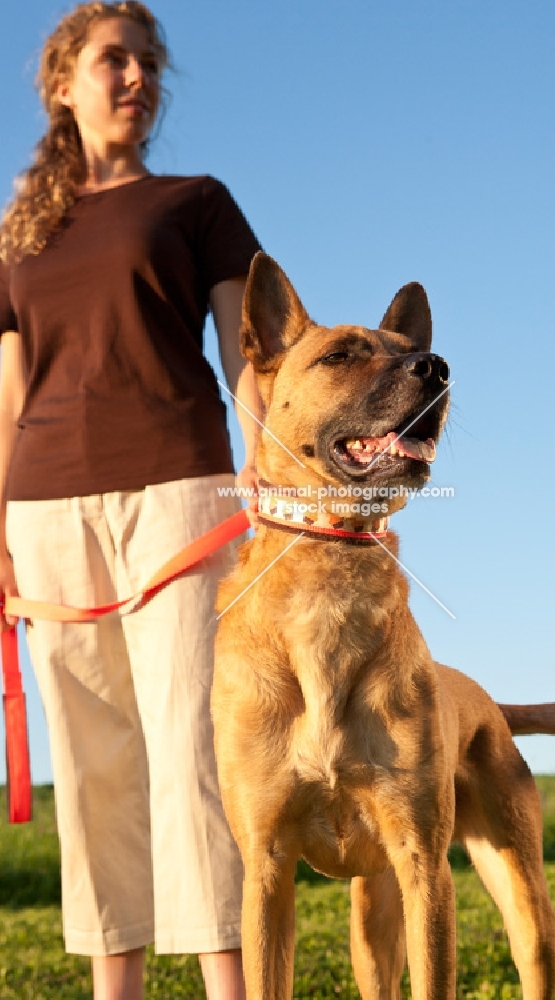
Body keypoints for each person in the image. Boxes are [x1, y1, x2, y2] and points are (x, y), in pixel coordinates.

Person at [0, 3, 263, 998]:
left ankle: (225, 986)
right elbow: (9, 393)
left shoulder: (198, 202)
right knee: (96, 767)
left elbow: (250, 357)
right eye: (116, 60)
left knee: (192, 744)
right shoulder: (19, 240)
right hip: (44, 509)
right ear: (63, 81)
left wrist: (262, 465)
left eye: (149, 64)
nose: (138, 78)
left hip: (182, 493)